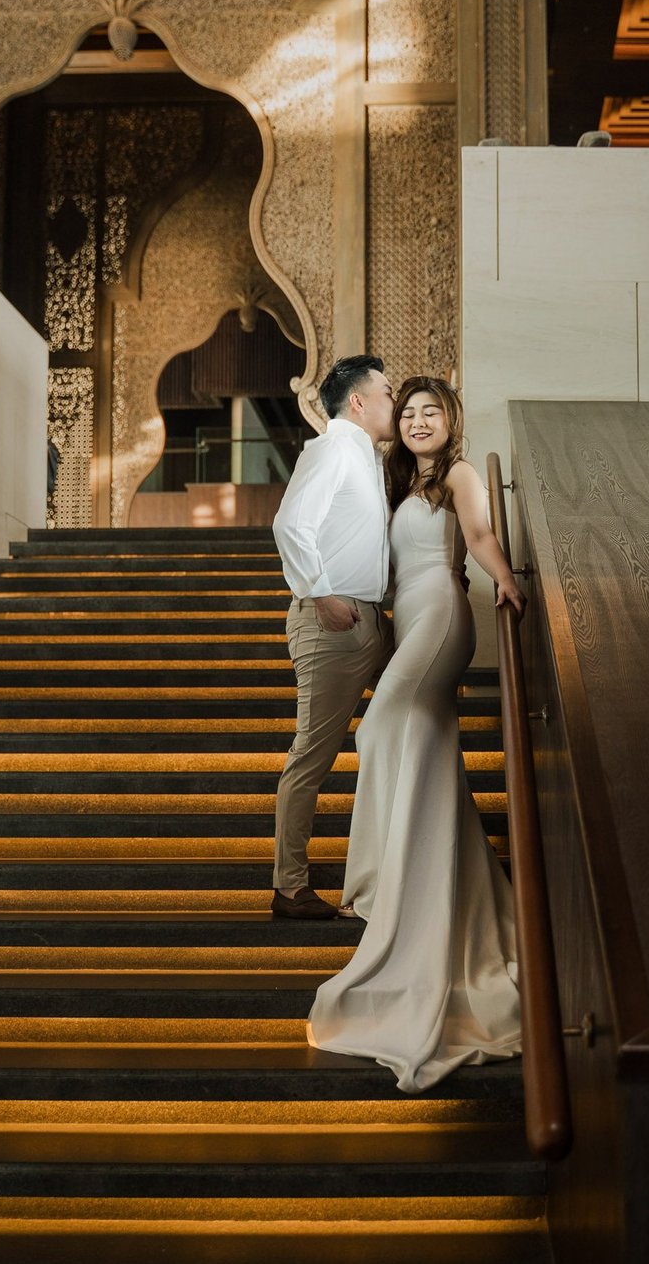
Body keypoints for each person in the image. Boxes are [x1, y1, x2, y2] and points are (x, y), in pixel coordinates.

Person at [307, 375, 526, 1090]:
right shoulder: (393, 480)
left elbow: (483, 533)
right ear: (396, 425)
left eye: (432, 412)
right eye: (409, 413)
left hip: (439, 609)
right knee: (423, 750)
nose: (420, 421)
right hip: (407, 614)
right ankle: (424, 884)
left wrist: (506, 578)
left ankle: (388, 882)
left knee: (378, 733)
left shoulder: (460, 474)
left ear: (450, 418)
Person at [270, 355, 396, 920]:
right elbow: (289, 524)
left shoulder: (365, 456)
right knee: (311, 758)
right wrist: (321, 594)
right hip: (332, 622)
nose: (394, 403)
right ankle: (289, 887)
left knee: (407, 733)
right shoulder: (332, 447)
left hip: (370, 620)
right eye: (388, 393)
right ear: (359, 401)